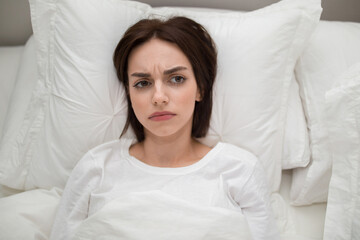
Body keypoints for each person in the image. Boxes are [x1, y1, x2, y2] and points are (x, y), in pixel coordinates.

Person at [49, 16, 279, 240]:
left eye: (176, 79)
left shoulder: (240, 171)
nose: (159, 97)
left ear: (200, 89)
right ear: (129, 94)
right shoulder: (96, 168)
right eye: (143, 83)